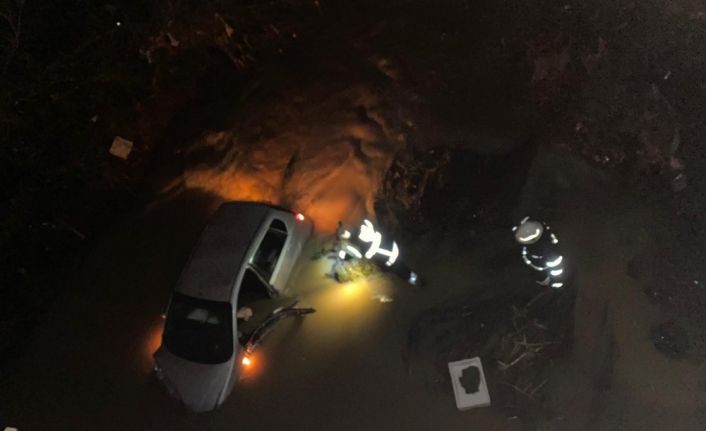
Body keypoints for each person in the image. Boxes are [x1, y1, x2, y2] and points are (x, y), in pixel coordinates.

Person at [513, 216, 565, 288]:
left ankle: (553, 284)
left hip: (545, 267)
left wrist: (557, 282)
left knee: (552, 275)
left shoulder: (547, 249)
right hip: (536, 267)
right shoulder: (524, 240)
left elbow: (556, 268)